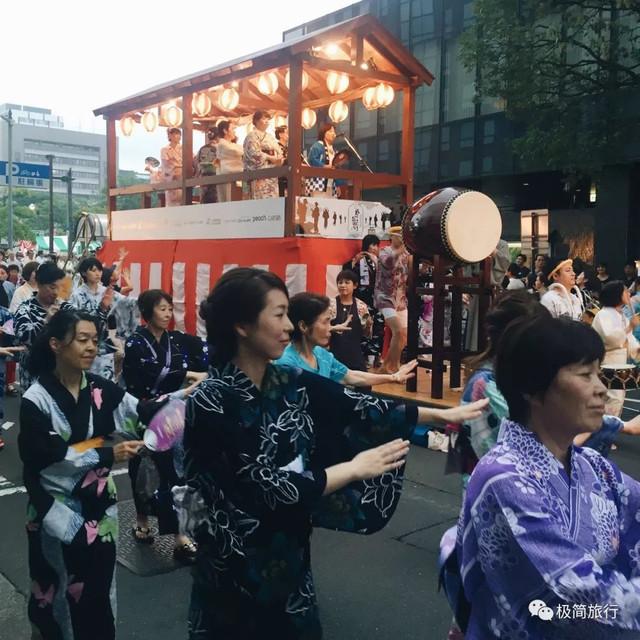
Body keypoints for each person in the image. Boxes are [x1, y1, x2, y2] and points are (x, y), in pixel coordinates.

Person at [175, 267, 487, 638]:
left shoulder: (285, 380)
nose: (289, 326)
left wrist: (442, 413)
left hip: (289, 552)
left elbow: (354, 405)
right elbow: (266, 487)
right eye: (278, 314)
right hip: (233, 563)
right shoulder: (212, 400)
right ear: (242, 326)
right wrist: (353, 469)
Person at [455, 315, 640, 638]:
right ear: (532, 387)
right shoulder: (503, 479)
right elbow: (575, 598)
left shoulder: (593, 465)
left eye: (599, 373)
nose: (602, 389)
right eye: (586, 375)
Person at [18, 309, 195, 640]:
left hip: (100, 510)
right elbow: (43, 457)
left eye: (94, 341)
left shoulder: (101, 388)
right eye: (81, 340)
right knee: (53, 586)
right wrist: (105, 454)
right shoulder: (35, 399)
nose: (90, 347)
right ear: (55, 344)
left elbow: (140, 410)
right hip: (53, 508)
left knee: (98, 588)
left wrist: (184, 397)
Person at [123, 289, 208, 560]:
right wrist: (189, 373)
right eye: (162, 309)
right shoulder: (135, 342)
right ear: (147, 313)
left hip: (172, 412)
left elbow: (205, 349)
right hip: (142, 411)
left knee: (174, 471)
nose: (168, 313)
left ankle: (180, 535)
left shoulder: (177, 339)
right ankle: (142, 520)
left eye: (170, 309)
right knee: (141, 469)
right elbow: (149, 370)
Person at [276, 291, 416, 387]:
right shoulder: (286, 364)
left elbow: (350, 376)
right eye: (325, 322)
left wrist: (393, 377)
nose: (330, 328)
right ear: (303, 326)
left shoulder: (321, 354)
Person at [69, 257, 137, 381]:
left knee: (106, 382)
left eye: (99, 270)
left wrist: (145, 302)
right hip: (84, 342)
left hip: (104, 343)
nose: (97, 273)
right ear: (84, 273)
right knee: (87, 381)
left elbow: (125, 302)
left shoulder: (106, 291)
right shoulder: (77, 295)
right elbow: (74, 319)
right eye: (93, 270)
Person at [14, 262, 78, 391]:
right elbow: (24, 337)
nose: (55, 292)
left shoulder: (66, 308)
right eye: (51, 287)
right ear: (39, 284)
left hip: (62, 375)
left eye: (59, 287)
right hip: (34, 375)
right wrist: (46, 321)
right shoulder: (26, 308)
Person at [591, 280, 640, 416]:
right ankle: (602, 433)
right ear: (617, 294)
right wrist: (630, 326)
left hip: (619, 363)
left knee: (617, 400)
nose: (628, 293)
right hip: (607, 362)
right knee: (611, 399)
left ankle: (608, 433)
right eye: (625, 291)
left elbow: (629, 339)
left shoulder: (621, 315)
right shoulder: (604, 314)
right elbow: (610, 338)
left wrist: (637, 349)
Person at [374, 226, 410, 373]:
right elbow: (388, 263)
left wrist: (425, 266)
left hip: (400, 299)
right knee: (397, 331)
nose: (401, 238)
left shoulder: (407, 254)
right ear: (392, 237)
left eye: (403, 235)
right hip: (385, 297)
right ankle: (394, 368)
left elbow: (414, 272)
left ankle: (385, 366)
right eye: (398, 235)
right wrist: (400, 251)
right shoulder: (384, 251)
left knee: (404, 336)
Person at [327, 270, 372, 372]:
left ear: (355, 285)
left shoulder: (361, 306)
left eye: (347, 282)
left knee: (363, 386)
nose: (343, 285)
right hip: (334, 355)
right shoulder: (330, 304)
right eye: (340, 282)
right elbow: (323, 328)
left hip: (355, 355)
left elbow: (367, 334)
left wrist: (368, 325)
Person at [243, 110, 283, 199]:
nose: (267, 121)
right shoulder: (252, 136)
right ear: (256, 121)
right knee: (259, 203)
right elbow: (253, 154)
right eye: (264, 119)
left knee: (272, 203)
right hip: (259, 175)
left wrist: (279, 158)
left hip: (272, 175)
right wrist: (271, 158)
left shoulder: (270, 137)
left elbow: (279, 152)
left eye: (268, 119)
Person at [305, 122, 337, 196]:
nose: (333, 134)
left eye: (334, 132)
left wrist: (337, 185)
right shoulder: (318, 145)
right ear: (324, 133)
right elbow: (312, 160)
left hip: (330, 182)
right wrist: (324, 166)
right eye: (330, 131)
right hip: (318, 182)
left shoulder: (332, 148)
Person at [215, 120, 244, 203]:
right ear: (225, 131)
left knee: (234, 201)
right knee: (227, 201)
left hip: (234, 176)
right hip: (226, 176)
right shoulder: (222, 144)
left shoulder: (231, 144)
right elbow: (238, 151)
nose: (234, 131)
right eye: (232, 129)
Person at [160, 127, 183, 207]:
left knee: (182, 203)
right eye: (174, 134)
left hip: (182, 178)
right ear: (169, 136)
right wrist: (174, 171)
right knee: (171, 204)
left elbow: (191, 160)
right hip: (171, 179)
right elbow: (166, 164)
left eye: (179, 134)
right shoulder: (164, 149)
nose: (177, 136)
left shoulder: (184, 148)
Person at [195, 128, 218, 204]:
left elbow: (196, 164)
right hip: (217, 180)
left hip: (204, 181)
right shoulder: (219, 148)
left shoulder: (202, 149)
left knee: (204, 204)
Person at [275, 124, 288, 197]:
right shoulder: (277, 147)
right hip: (281, 177)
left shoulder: (287, 147)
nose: (288, 135)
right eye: (287, 133)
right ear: (280, 135)